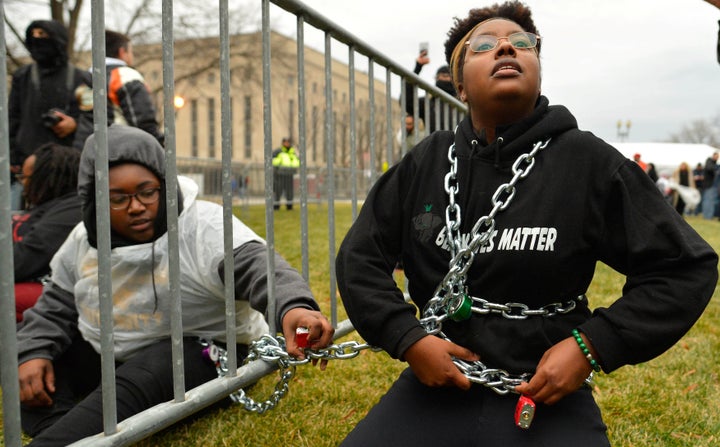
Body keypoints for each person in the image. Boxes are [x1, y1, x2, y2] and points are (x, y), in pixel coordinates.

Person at [335, 2, 717, 446]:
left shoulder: (587, 162)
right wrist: (408, 338)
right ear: (459, 83)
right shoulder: (428, 161)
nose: (505, 48)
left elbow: (683, 267)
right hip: (437, 383)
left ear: (538, 67)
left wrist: (590, 346)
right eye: (483, 45)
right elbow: (360, 256)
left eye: (522, 43)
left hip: (544, 392)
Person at [16, 125, 334, 446]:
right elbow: (54, 304)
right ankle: (77, 430)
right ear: (94, 201)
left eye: (147, 191)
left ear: (164, 186)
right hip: (116, 351)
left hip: (205, 351)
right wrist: (33, 352)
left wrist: (294, 306)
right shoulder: (84, 240)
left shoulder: (203, 224)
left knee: (156, 370)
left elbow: (259, 268)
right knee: (37, 374)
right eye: (117, 199)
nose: (136, 206)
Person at [8, 20, 93, 210]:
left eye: (43, 34)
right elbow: (12, 120)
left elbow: (95, 118)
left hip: (67, 171)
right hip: (28, 169)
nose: (38, 39)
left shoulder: (81, 79)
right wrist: (13, 158)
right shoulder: (22, 77)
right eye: (34, 35)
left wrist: (75, 125)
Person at [12, 144, 82, 322]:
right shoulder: (50, 205)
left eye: (25, 178)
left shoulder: (72, 209)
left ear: (46, 178)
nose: (23, 185)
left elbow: (30, 254)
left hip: (45, 286)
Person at [103, 30, 164, 143]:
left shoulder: (87, 75)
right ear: (122, 52)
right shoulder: (125, 75)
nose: (132, 56)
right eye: (131, 52)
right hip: (121, 146)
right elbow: (142, 120)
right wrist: (159, 143)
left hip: (90, 149)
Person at [404, 49, 457, 133]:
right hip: (436, 144)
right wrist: (417, 68)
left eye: (447, 76)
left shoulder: (463, 102)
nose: (443, 79)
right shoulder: (428, 103)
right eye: (440, 76)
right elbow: (406, 101)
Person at [272, 137, 300, 210]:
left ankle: (289, 206)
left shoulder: (292, 152)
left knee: (289, 191)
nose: (287, 144)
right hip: (279, 174)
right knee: (278, 190)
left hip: (289, 174)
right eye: (286, 142)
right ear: (283, 143)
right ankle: (276, 205)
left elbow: (297, 162)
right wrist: (280, 162)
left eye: (288, 142)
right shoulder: (278, 151)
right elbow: (272, 160)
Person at [701, 151, 718, 219]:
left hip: (708, 185)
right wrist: (716, 168)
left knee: (707, 200)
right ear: (713, 156)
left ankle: (707, 216)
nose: (717, 158)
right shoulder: (709, 161)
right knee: (708, 201)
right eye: (716, 156)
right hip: (709, 185)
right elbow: (710, 168)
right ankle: (708, 216)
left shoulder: (712, 163)